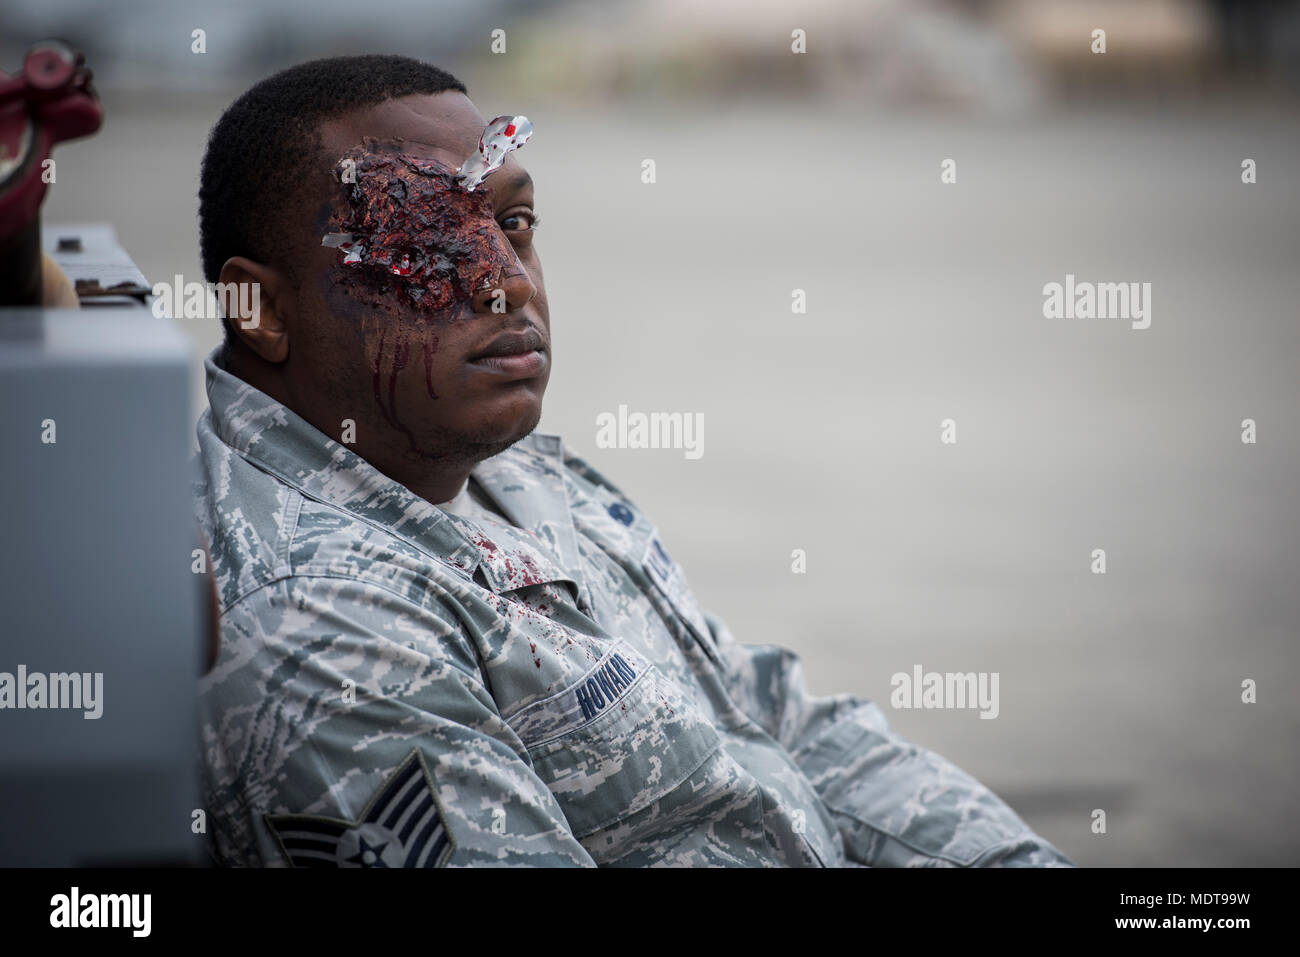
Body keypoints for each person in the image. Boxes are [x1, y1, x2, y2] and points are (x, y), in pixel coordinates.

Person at [193, 54, 1073, 868]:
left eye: (514, 224)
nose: (509, 278)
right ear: (263, 309)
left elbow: (771, 718)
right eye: (426, 239)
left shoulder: (515, 475)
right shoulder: (330, 624)